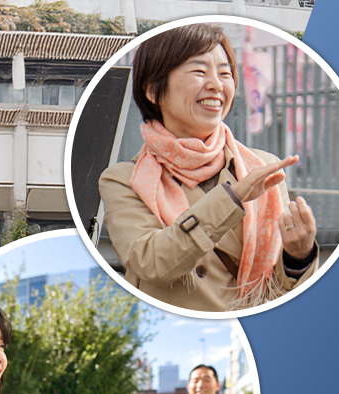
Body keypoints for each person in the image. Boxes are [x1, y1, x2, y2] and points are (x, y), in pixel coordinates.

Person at [98, 24, 319, 312]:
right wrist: (232, 198)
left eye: (225, 73)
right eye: (199, 72)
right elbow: (152, 262)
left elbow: (275, 291)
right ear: (153, 89)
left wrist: (298, 256)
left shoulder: (260, 166)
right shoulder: (124, 180)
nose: (217, 84)